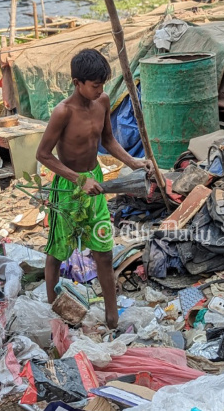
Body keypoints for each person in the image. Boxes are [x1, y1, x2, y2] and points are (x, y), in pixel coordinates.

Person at [36, 49, 154, 331]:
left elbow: (109, 141)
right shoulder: (62, 112)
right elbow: (44, 155)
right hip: (68, 188)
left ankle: (112, 318)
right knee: (57, 251)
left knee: (103, 250)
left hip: (96, 183)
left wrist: (135, 163)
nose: (100, 89)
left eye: (102, 84)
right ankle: (54, 309)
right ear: (77, 82)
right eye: (94, 85)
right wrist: (79, 180)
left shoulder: (102, 101)